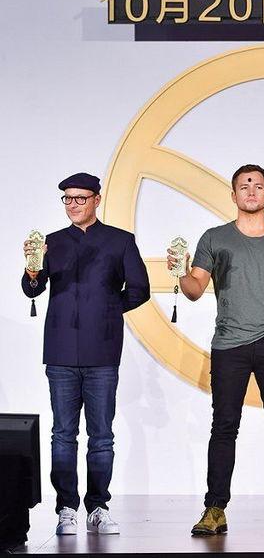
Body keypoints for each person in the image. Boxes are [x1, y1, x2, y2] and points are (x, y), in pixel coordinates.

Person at [168, 164, 264, 535]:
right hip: (228, 345)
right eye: (244, 185)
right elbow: (194, 289)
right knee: (224, 426)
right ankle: (214, 509)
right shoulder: (214, 238)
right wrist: (180, 272)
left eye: (258, 185)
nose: (251, 191)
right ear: (233, 195)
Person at [22, 172, 150, 536]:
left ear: (97, 199)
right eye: (68, 198)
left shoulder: (120, 241)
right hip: (60, 349)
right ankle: (66, 508)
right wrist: (32, 269)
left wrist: (108, 308)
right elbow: (32, 288)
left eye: (81, 198)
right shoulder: (50, 242)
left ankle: (97, 507)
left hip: (102, 351)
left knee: (101, 435)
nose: (73, 205)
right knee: (63, 433)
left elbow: (139, 288)